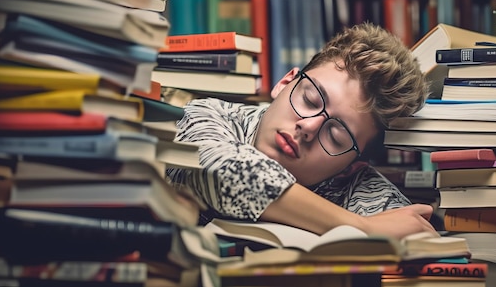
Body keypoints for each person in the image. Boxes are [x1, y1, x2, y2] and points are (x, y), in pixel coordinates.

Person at [166, 22, 435, 240]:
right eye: (309, 100)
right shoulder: (207, 115)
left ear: (355, 163)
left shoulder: (366, 192)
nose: (308, 127)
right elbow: (220, 169)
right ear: (284, 84)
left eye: (335, 135)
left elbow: (417, 240)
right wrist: (362, 228)